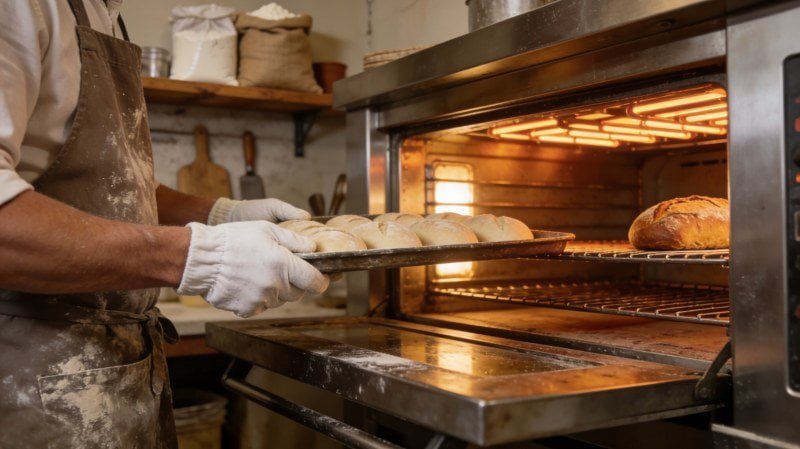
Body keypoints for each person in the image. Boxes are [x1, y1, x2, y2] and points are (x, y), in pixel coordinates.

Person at [0, 1, 328, 447]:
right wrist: (198, 255)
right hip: (29, 375)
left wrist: (219, 213)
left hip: (114, 368)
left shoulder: (104, 14)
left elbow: (122, 191)